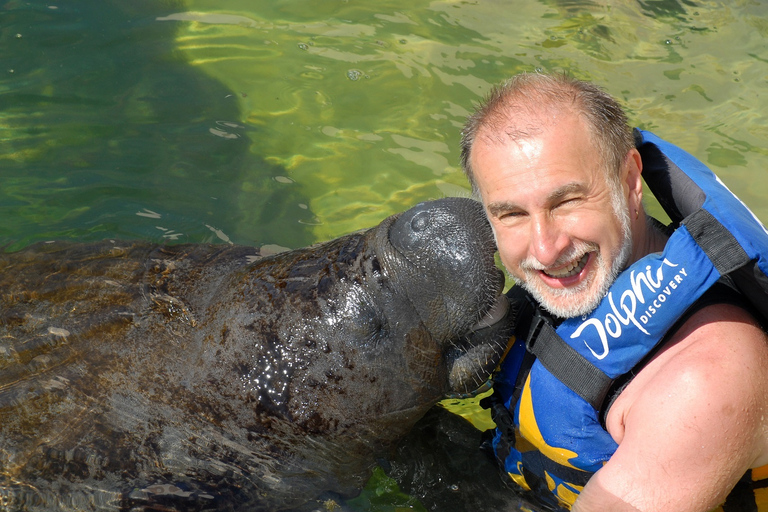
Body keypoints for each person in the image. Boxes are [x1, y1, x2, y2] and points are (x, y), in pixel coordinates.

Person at [459, 72, 768, 512]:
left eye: (565, 202)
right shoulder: (569, 279)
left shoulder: (702, 380)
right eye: (511, 214)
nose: (545, 249)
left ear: (630, 180)